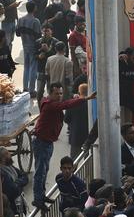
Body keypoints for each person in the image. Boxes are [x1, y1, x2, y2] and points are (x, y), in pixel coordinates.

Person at [31, 82, 95, 210]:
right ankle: (38, 199)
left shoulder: (51, 103)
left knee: (44, 170)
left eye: (61, 93)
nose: (59, 96)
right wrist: (85, 98)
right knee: (40, 171)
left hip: (47, 141)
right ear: (50, 94)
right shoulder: (50, 105)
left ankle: (41, 195)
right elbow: (66, 104)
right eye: (57, 94)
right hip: (42, 142)